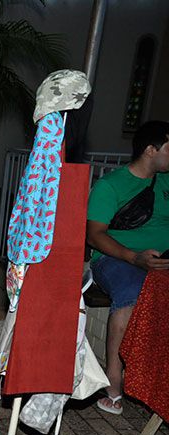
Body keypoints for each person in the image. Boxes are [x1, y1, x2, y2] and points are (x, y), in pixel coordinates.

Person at [86, 120, 169, 415]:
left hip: (161, 260)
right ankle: (113, 378)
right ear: (151, 150)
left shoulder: (166, 182)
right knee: (133, 291)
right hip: (116, 259)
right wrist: (134, 258)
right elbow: (94, 235)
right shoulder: (110, 185)